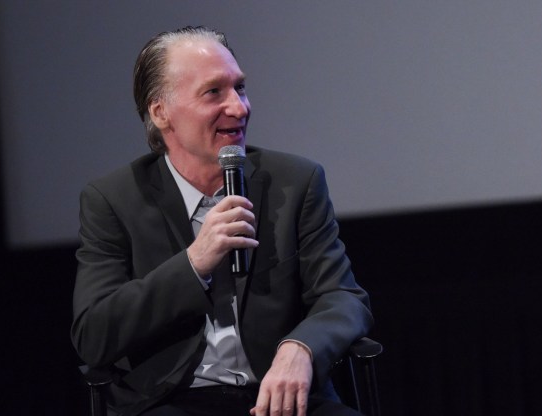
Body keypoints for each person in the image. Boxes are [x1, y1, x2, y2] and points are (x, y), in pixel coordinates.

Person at [71, 26, 373, 416]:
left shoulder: (295, 182)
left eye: (240, 88)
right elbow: (94, 334)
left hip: (279, 399)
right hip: (169, 401)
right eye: (214, 92)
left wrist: (301, 347)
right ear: (160, 112)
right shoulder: (113, 199)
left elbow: (343, 298)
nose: (239, 107)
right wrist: (194, 263)